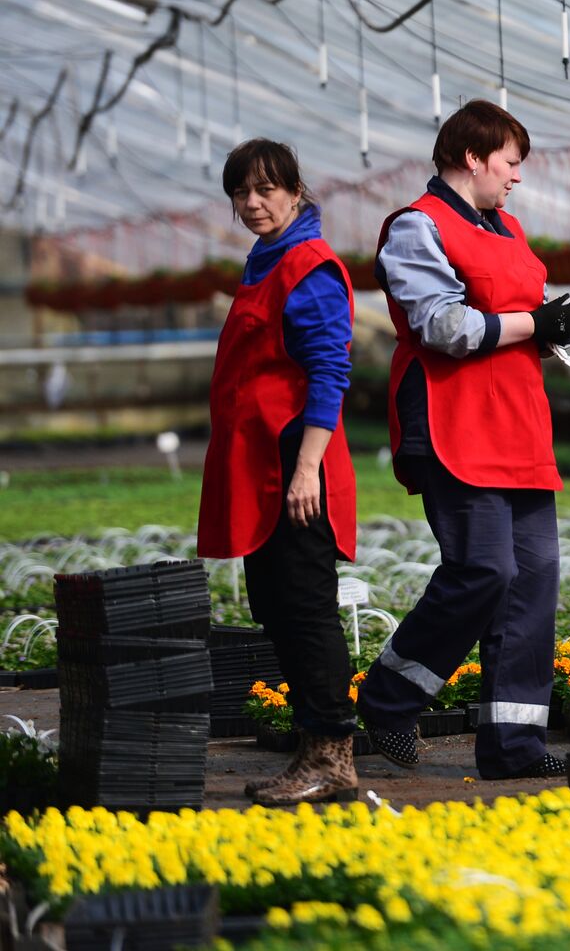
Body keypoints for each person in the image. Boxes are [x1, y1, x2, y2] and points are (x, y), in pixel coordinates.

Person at [356, 100, 570, 780]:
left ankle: (514, 747)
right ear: (473, 157)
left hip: (517, 422)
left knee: (533, 580)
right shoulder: (416, 227)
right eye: (510, 163)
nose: (516, 177)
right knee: (486, 570)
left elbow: (513, 317)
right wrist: (534, 323)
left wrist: (550, 330)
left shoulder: (509, 228)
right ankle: (389, 698)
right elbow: (443, 327)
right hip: (453, 422)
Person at [197, 139, 359, 804]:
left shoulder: (307, 266)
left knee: (305, 607)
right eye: (241, 192)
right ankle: (310, 752)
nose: (252, 203)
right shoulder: (266, 261)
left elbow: (329, 372)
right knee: (277, 607)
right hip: (262, 465)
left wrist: (306, 471)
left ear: (296, 192)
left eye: (266, 189)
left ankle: (332, 757)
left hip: (294, 466)